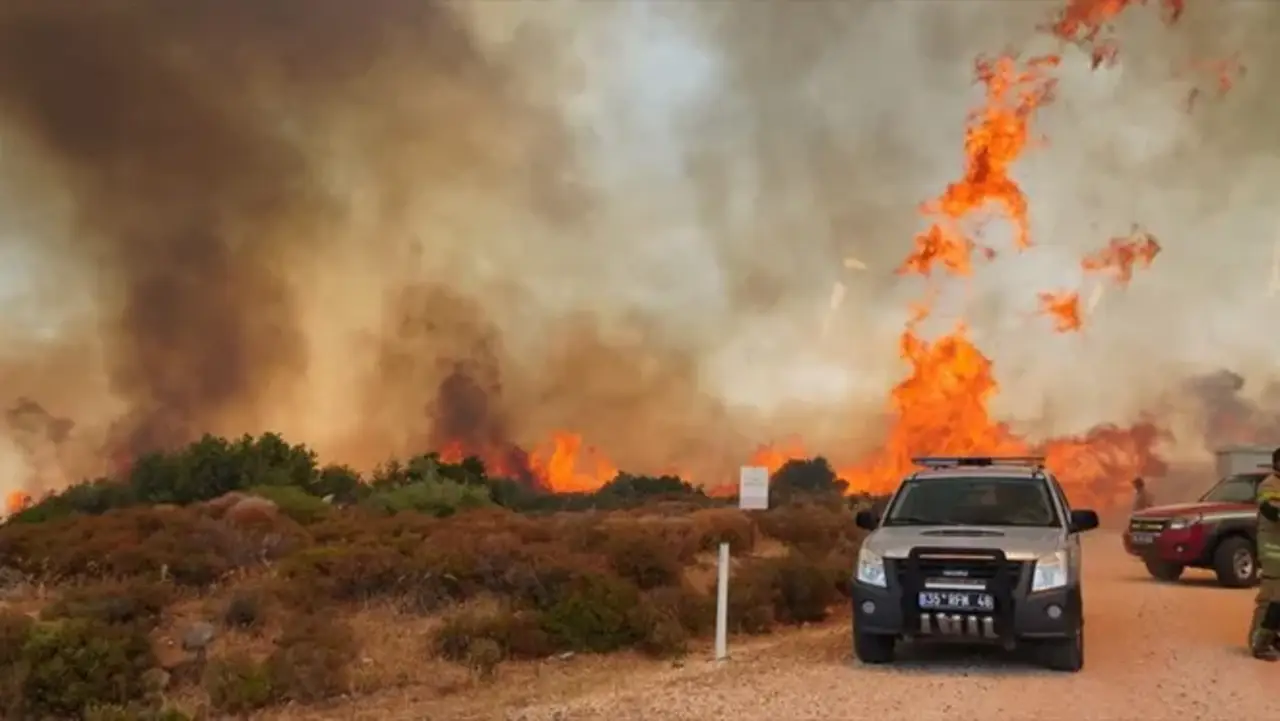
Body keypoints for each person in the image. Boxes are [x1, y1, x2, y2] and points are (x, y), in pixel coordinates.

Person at [1249, 448, 1280, 661]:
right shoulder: (1269, 484)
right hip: (1273, 550)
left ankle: (1272, 637)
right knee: (1272, 597)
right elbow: (1272, 511)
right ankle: (1259, 641)